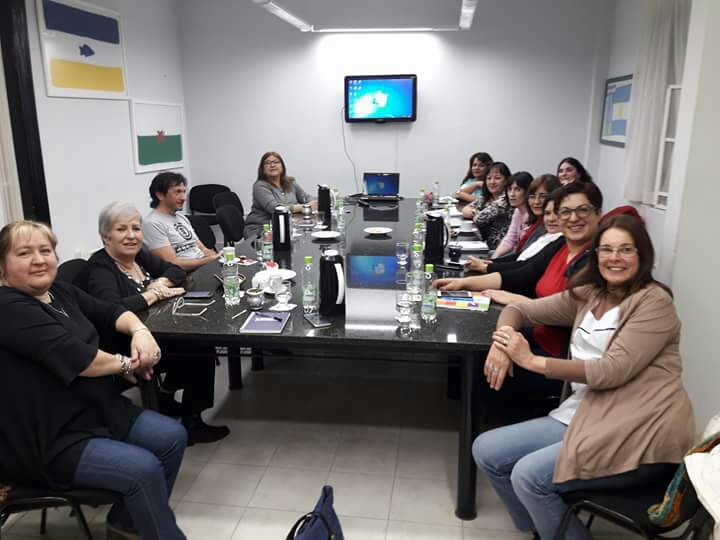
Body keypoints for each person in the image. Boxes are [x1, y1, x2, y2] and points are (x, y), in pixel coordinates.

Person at [472, 214, 695, 539]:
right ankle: (545, 529)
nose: (614, 258)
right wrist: (503, 342)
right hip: (582, 414)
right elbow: (521, 310)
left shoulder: (655, 303)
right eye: (606, 249)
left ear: (642, 255)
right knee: (487, 450)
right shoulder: (590, 294)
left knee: (528, 476)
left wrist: (531, 360)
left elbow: (611, 370)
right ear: (596, 255)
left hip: (636, 427)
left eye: (625, 250)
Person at [0, 220, 187, 540]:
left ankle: (125, 525)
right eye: (24, 253)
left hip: (92, 409)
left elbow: (111, 311)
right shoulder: (8, 307)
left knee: (172, 436)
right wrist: (128, 362)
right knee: (142, 470)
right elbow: (82, 360)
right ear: (2, 266)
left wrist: (140, 331)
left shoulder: (57, 291)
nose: (39, 259)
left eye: (46, 250)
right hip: (49, 436)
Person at [87, 202, 229, 445]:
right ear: (106, 237)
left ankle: (166, 396)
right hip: (123, 345)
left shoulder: (139, 256)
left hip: (156, 329)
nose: (131, 236)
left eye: (135, 228)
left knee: (196, 338)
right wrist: (153, 295)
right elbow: (111, 308)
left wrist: (160, 281)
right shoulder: (100, 267)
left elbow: (176, 272)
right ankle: (192, 423)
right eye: (122, 229)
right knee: (200, 348)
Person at [438, 182, 604, 369]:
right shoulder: (561, 245)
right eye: (565, 211)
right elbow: (523, 272)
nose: (573, 218)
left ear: (599, 214)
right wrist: (463, 283)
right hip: (534, 332)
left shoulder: (595, 261)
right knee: (475, 337)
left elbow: (565, 314)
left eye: (582, 210)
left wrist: (516, 300)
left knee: (480, 357)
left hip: (556, 357)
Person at [465, 185, 563, 275]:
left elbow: (527, 266)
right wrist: (490, 262)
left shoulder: (555, 235)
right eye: (532, 196)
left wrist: (487, 267)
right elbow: (518, 253)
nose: (536, 201)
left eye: (517, 189)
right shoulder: (537, 224)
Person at [142, 172, 218, 271]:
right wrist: (209, 260)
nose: (184, 198)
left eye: (184, 192)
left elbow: (203, 249)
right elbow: (172, 264)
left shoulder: (181, 218)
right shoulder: (152, 223)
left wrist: (216, 257)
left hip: (202, 267)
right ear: (160, 195)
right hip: (185, 275)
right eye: (177, 192)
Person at [244, 151, 316, 240]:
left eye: (276, 162)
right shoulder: (260, 186)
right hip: (261, 230)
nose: (272, 165)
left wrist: (316, 201)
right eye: (267, 163)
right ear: (263, 169)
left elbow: (306, 197)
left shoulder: (291, 182)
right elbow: (275, 209)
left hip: (286, 226)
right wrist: (305, 207)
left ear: (282, 166)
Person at [461, 161, 513, 250]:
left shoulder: (506, 200)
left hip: (499, 248)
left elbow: (479, 219)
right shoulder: (487, 197)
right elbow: (465, 210)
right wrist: (475, 212)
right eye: (489, 178)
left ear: (506, 181)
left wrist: (475, 212)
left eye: (497, 178)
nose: (492, 182)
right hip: (484, 244)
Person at [491, 171, 534, 259]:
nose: (512, 194)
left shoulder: (533, 215)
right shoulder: (517, 212)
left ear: (527, 191)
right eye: (509, 189)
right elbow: (509, 240)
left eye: (517, 189)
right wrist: (494, 258)